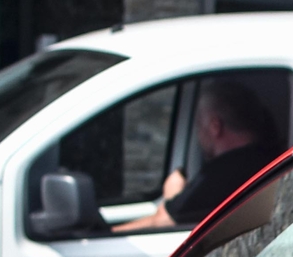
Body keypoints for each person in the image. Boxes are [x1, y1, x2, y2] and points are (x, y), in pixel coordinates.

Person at [116, 79, 283, 232]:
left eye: (198, 125)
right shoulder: (272, 158)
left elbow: (164, 221)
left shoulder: (222, 174)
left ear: (215, 127)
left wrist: (172, 195)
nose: (197, 135)